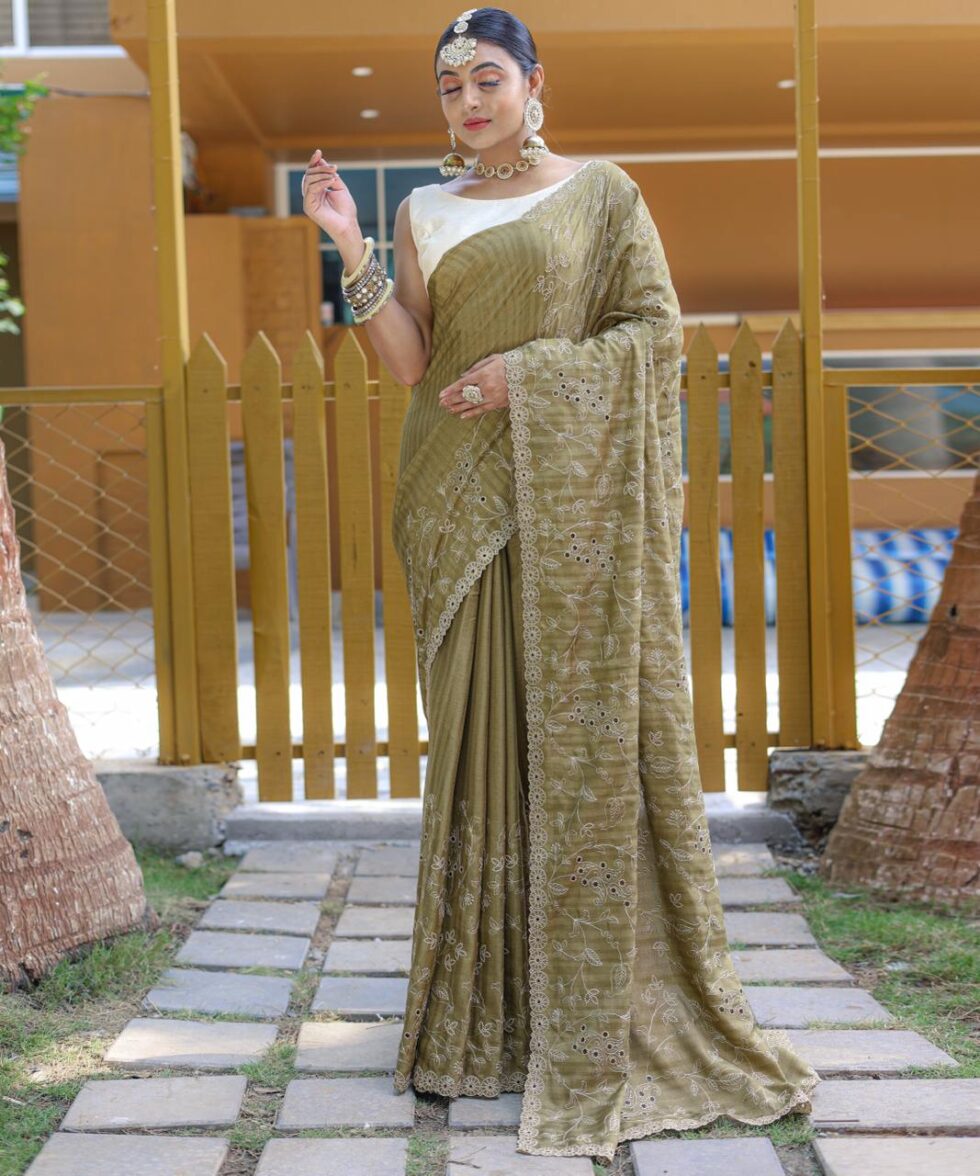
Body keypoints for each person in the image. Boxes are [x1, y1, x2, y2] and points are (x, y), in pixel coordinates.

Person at [300, 6, 821, 1164]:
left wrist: (528, 378)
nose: (468, 101)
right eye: (448, 87)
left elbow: (654, 336)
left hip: (563, 504)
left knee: (570, 744)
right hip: (451, 498)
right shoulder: (422, 210)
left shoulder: (601, 195)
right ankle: (480, 1020)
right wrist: (348, 242)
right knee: (473, 747)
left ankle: (582, 1009)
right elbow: (412, 364)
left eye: (486, 77)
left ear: (534, 83)